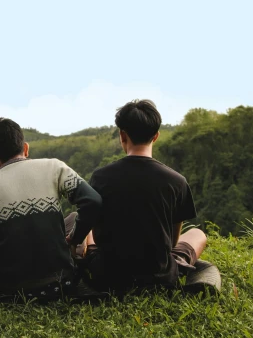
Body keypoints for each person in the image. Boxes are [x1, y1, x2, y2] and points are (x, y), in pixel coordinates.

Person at [81, 100, 208, 293]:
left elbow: (97, 236)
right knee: (197, 234)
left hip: (108, 273)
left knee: (85, 229)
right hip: (159, 274)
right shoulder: (177, 181)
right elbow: (172, 243)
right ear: (156, 136)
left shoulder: (100, 177)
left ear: (122, 135)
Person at [0, 117, 102, 299]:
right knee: (74, 216)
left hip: (9, 290)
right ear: (25, 148)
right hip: (62, 283)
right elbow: (92, 201)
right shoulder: (54, 167)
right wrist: (75, 237)